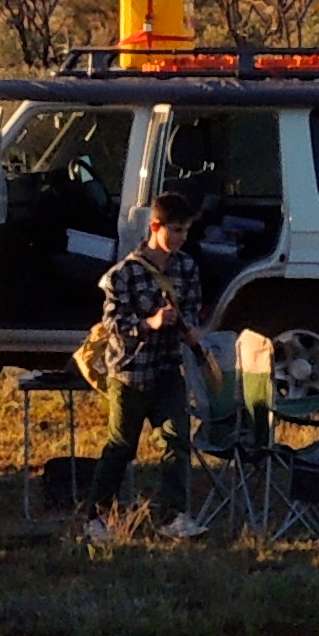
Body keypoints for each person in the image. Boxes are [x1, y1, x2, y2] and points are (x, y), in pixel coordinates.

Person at [84, 192, 212, 540]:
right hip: (131, 373)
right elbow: (113, 323)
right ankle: (96, 517)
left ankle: (174, 516)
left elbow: (192, 309)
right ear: (156, 226)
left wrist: (191, 331)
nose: (182, 237)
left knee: (176, 440)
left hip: (167, 368)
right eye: (176, 229)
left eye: (186, 230)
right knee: (121, 447)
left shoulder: (187, 267)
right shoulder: (123, 274)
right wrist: (150, 323)